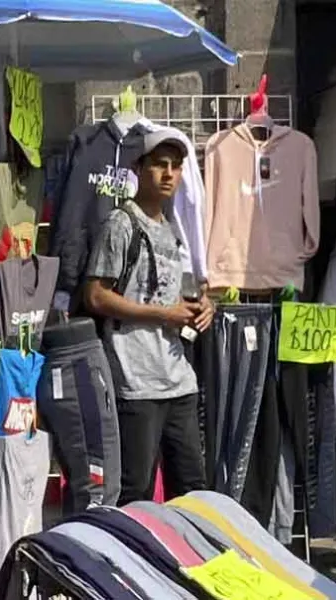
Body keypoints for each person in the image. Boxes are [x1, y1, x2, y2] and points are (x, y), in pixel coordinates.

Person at [84, 128, 214, 505]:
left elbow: (185, 293)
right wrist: (162, 315)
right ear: (139, 169)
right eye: (160, 165)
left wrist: (204, 307)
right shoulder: (122, 225)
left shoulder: (173, 228)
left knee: (193, 492)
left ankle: (184, 561)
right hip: (135, 381)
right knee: (136, 491)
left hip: (178, 381)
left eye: (176, 166)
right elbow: (94, 295)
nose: (169, 174)